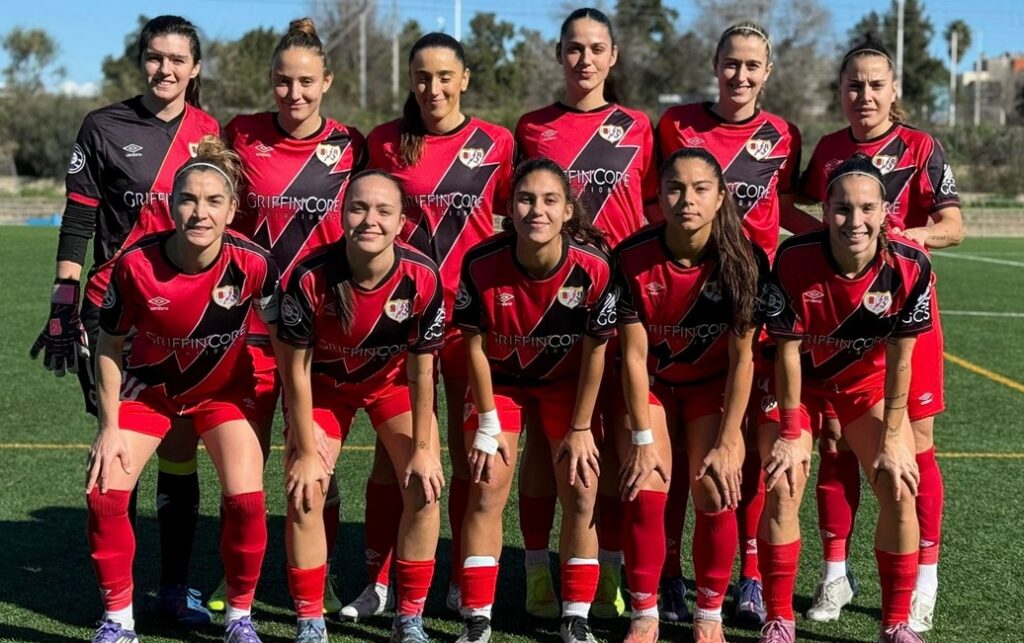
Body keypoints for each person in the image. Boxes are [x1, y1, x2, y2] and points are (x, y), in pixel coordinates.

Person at [30, 15, 220, 627]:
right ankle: (124, 596)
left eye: (176, 60)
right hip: (115, 310)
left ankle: (176, 587)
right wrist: (65, 296)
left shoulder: (209, 132)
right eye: (154, 57)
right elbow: (79, 218)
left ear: (194, 69)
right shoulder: (103, 127)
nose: (164, 70)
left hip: (186, 314)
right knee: (122, 451)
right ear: (142, 62)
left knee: (181, 445)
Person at [798, 38, 964, 632]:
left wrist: (904, 238)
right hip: (834, 319)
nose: (863, 95)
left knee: (913, 446)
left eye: (875, 84)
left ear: (894, 91)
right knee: (834, 441)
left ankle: (925, 577)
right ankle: (836, 574)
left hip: (904, 319)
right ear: (839, 91)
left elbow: (954, 225)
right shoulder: (826, 151)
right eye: (853, 84)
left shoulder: (920, 147)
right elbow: (796, 210)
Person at [85, 137, 278, 643]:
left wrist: (297, 423)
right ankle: (118, 621)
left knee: (246, 500)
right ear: (171, 206)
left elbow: (288, 341)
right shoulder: (134, 265)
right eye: (188, 199)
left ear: (233, 209)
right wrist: (108, 427)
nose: (200, 212)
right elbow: (108, 346)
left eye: (214, 201)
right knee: (105, 494)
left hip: (223, 397)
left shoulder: (255, 264)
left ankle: (240, 617)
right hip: (150, 395)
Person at [351, 32, 514, 619]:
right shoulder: (386, 143)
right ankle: (378, 580)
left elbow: (516, 226)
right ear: (410, 81)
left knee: (472, 451)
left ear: (465, 79)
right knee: (393, 455)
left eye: (446, 76)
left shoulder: (497, 142)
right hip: (402, 321)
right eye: (422, 76)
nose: (434, 87)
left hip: (471, 325)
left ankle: (456, 576)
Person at [654, 22, 812, 624]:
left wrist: (849, 239)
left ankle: (749, 573)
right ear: (714, 65)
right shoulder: (677, 126)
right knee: (672, 457)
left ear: (767, 72)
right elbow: (657, 202)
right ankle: (669, 575)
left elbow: (786, 208)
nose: (740, 76)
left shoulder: (784, 135)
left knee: (743, 447)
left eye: (752, 65)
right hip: (686, 303)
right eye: (731, 64)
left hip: (754, 307)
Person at [219, 16, 366, 616]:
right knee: (244, 469)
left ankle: (320, 576)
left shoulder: (352, 146)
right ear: (270, 81)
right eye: (283, 82)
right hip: (252, 328)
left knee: (314, 462)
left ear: (327, 80)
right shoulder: (242, 134)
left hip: (325, 331)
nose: (294, 94)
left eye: (306, 82)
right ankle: (239, 582)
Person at [513, 7, 657, 619]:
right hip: (549, 309)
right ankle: (538, 571)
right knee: (547, 453)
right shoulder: (532, 128)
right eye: (574, 48)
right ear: (558, 55)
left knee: (619, 446)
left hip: (619, 302)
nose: (585, 59)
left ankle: (610, 572)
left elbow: (652, 210)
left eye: (597, 48)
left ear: (614, 56)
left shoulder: (639, 126)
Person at [758, 153, 933, 643]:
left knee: (898, 485)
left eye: (865, 209)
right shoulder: (793, 259)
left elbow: (902, 360)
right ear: (825, 210)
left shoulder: (909, 265)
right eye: (841, 209)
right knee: (783, 480)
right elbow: (787, 355)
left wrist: (894, 438)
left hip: (863, 389)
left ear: (884, 211)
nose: (854, 221)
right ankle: (779, 617)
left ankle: (896, 622)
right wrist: (792, 433)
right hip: (801, 387)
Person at [275, 170, 446, 643]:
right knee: (306, 488)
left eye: (383, 211)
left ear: (401, 222)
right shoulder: (310, 276)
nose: (369, 220)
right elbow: (296, 371)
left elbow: (421, 371)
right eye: (358, 208)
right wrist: (306, 450)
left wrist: (425, 447)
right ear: (341, 214)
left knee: (425, 486)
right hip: (325, 390)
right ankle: (310, 621)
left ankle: (408, 618)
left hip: (390, 388)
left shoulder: (421, 276)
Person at [454, 158, 616, 643]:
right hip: (501, 385)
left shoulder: (593, 268)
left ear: (568, 211)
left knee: (582, 486)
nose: (536, 210)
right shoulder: (481, 262)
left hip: (566, 388)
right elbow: (476, 349)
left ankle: (576, 616)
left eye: (549, 201)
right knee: (486, 485)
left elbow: (595, 355)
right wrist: (486, 419)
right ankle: (477, 619)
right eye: (525, 199)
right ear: (509, 208)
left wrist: (582, 428)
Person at [613, 148, 769, 643]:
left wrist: (728, 442)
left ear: (720, 197)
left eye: (701, 189)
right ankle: (645, 614)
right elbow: (634, 359)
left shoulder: (744, 259)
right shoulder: (632, 257)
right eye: (676, 188)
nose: (688, 199)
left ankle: (709, 617)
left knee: (716, 488)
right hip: (653, 389)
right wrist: (641, 438)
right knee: (646, 487)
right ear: (659, 196)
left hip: (710, 389)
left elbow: (744, 359)